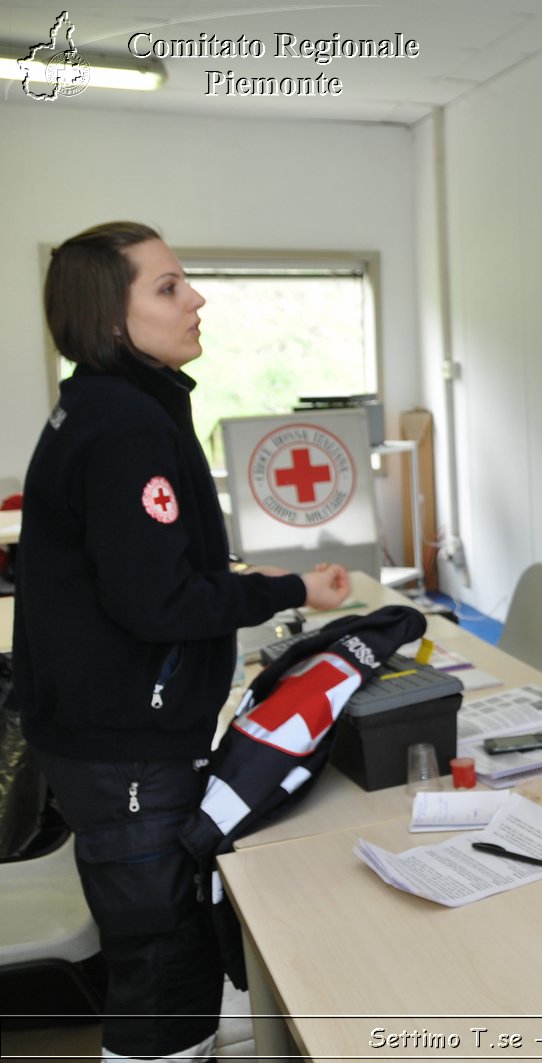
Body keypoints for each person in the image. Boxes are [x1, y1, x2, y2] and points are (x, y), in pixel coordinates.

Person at [7, 221, 350, 1061]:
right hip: (121, 739)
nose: (195, 298)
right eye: (167, 287)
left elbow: (137, 562)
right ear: (110, 317)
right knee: (160, 953)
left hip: (102, 725)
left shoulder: (105, 400)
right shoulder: (126, 425)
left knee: (168, 936)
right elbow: (156, 600)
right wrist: (290, 588)